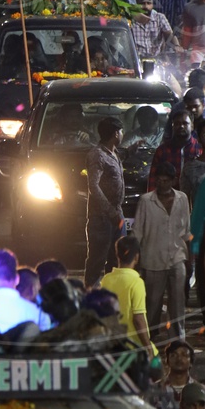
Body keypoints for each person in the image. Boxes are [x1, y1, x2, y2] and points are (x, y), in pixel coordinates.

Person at [133, 162, 192, 340]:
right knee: (152, 302)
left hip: (177, 258)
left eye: (166, 181)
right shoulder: (146, 201)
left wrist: (190, 260)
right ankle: (149, 337)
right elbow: (138, 232)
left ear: (173, 181)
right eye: (159, 180)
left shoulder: (182, 199)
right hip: (152, 259)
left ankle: (177, 338)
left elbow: (186, 231)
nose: (162, 184)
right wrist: (134, 261)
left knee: (178, 302)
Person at [85, 117, 126, 286]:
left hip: (116, 213)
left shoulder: (112, 152)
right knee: (98, 259)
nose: (123, 134)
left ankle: (113, 294)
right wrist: (110, 212)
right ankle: (91, 296)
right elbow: (93, 186)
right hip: (102, 217)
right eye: (121, 131)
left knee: (118, 257)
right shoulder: (97, 155)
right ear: (116, 134)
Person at [100, 234, 152, 348]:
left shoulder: (106, 280)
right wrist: (148, 348)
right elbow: (138, 319)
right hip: (134, 347)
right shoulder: (136, 282)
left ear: (117, 255)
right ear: (137, 257)